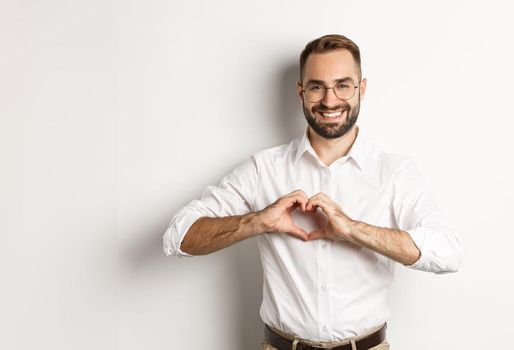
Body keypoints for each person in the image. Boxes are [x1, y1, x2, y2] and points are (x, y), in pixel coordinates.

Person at [163, 34, 463, 350]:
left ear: (361, 89)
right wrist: (258, 222)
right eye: (317, 86)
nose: (330, 101)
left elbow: (448, 252)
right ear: (301, 91)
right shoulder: (263, 169)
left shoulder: (394, 172)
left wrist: (353, 230)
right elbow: (178, 236)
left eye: (343, 85)